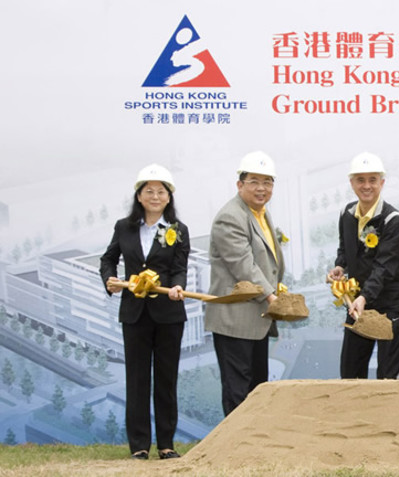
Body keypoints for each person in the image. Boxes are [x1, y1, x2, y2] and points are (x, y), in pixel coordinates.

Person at [99, 164, 189, 460]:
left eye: (160, 191)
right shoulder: (124, 227)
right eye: (148, 190)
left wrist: (177, 287)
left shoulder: (177, 230)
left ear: (168, 197)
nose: (154, 196)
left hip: (168, 314)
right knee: (137, 379)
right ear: (138, 196)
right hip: (135, 314)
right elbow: (108, 259)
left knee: (166, 379)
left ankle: (166, 444)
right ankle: (138, 445)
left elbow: (179, 268)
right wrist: (110, 281)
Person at [205, 151, 285, 416]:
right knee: (238, 392)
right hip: (235, 319)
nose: (261, 188)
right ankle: (232, 453)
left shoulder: (260, 213)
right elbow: (244, 265)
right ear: (239, 184)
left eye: (267, 182)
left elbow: (266, 263)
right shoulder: (231, 217)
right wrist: (273, 298)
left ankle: (252, 449)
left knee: (256, 389)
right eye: (254, 181)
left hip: (257, 319)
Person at [327, 152, 399, 379]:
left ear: (382, 183)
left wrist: (364, 297)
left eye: (373, 180)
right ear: (351, 183)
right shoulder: (346, 213)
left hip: (388, 303)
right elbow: (345, 248)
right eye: (360, 180)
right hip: (357, 303)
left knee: (388, 376)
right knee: (350, 372)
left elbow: (384, 268)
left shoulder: (393, 221)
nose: (367, 186)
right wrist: (340, 267)